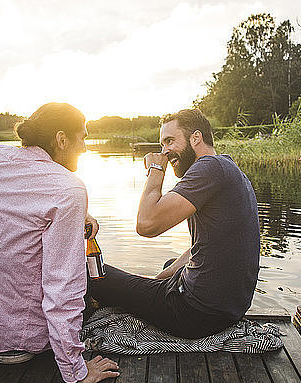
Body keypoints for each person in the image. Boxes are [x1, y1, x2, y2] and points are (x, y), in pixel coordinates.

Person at [0, 102, 119, 383]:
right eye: (83, 137)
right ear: (61, 139)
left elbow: (28, 203)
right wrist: (76, 369)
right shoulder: (68, 187)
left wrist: (81, 215)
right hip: (16, 338)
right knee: (85, 285)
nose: (85, 147)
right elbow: (63, 285)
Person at [89, 108, 260, 339]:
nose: (165, 152)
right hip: (228, 311)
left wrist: (156, 170)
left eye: (170, 141)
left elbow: (147, 224)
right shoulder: (229, 168)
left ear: (196, 138)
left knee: (91, 273)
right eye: (162, 145)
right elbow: (204, 246)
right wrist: (159, 280)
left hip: (194, 314)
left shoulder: (208, 167)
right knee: (171, 264)